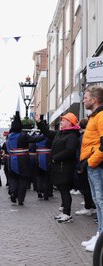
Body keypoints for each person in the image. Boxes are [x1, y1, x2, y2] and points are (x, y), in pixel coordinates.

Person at [34, 112, 80, 223]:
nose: (61, 122)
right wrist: (39, 122)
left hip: (65, 167)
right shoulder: (61, 133)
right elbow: (47, 133)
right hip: (59, 167)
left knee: (64, 190)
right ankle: (64, 212)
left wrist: (55, 158)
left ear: (69, 123)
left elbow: (70, 151)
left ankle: (67, 214)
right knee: (62, 190)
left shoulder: (72, 136)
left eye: (63, 120)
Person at [79, 85, 103, 252]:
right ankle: (100, 234)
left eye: (86, 98)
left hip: (98, 165)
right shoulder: (95, 116)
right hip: (93, 164)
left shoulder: (101, 115)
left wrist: (92, 161)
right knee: (97, 201)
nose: (84, 100)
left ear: (94, 100)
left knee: (101, 201)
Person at [6, 111, 44, 206]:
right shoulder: (23, 135)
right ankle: (21, 200)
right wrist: (45, 133)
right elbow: (35, 140)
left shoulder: (9, 136)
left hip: (12, 159)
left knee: (14, 178)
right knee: (23, 179)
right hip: (23, 159)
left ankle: (13, 192)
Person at [74, 118, 95, 216]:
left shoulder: (83, 137)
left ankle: (88, 207)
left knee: (85, 186)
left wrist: (80, 165)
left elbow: (81, 152)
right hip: (89, 163)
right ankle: (91, 205)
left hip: (84, 164)